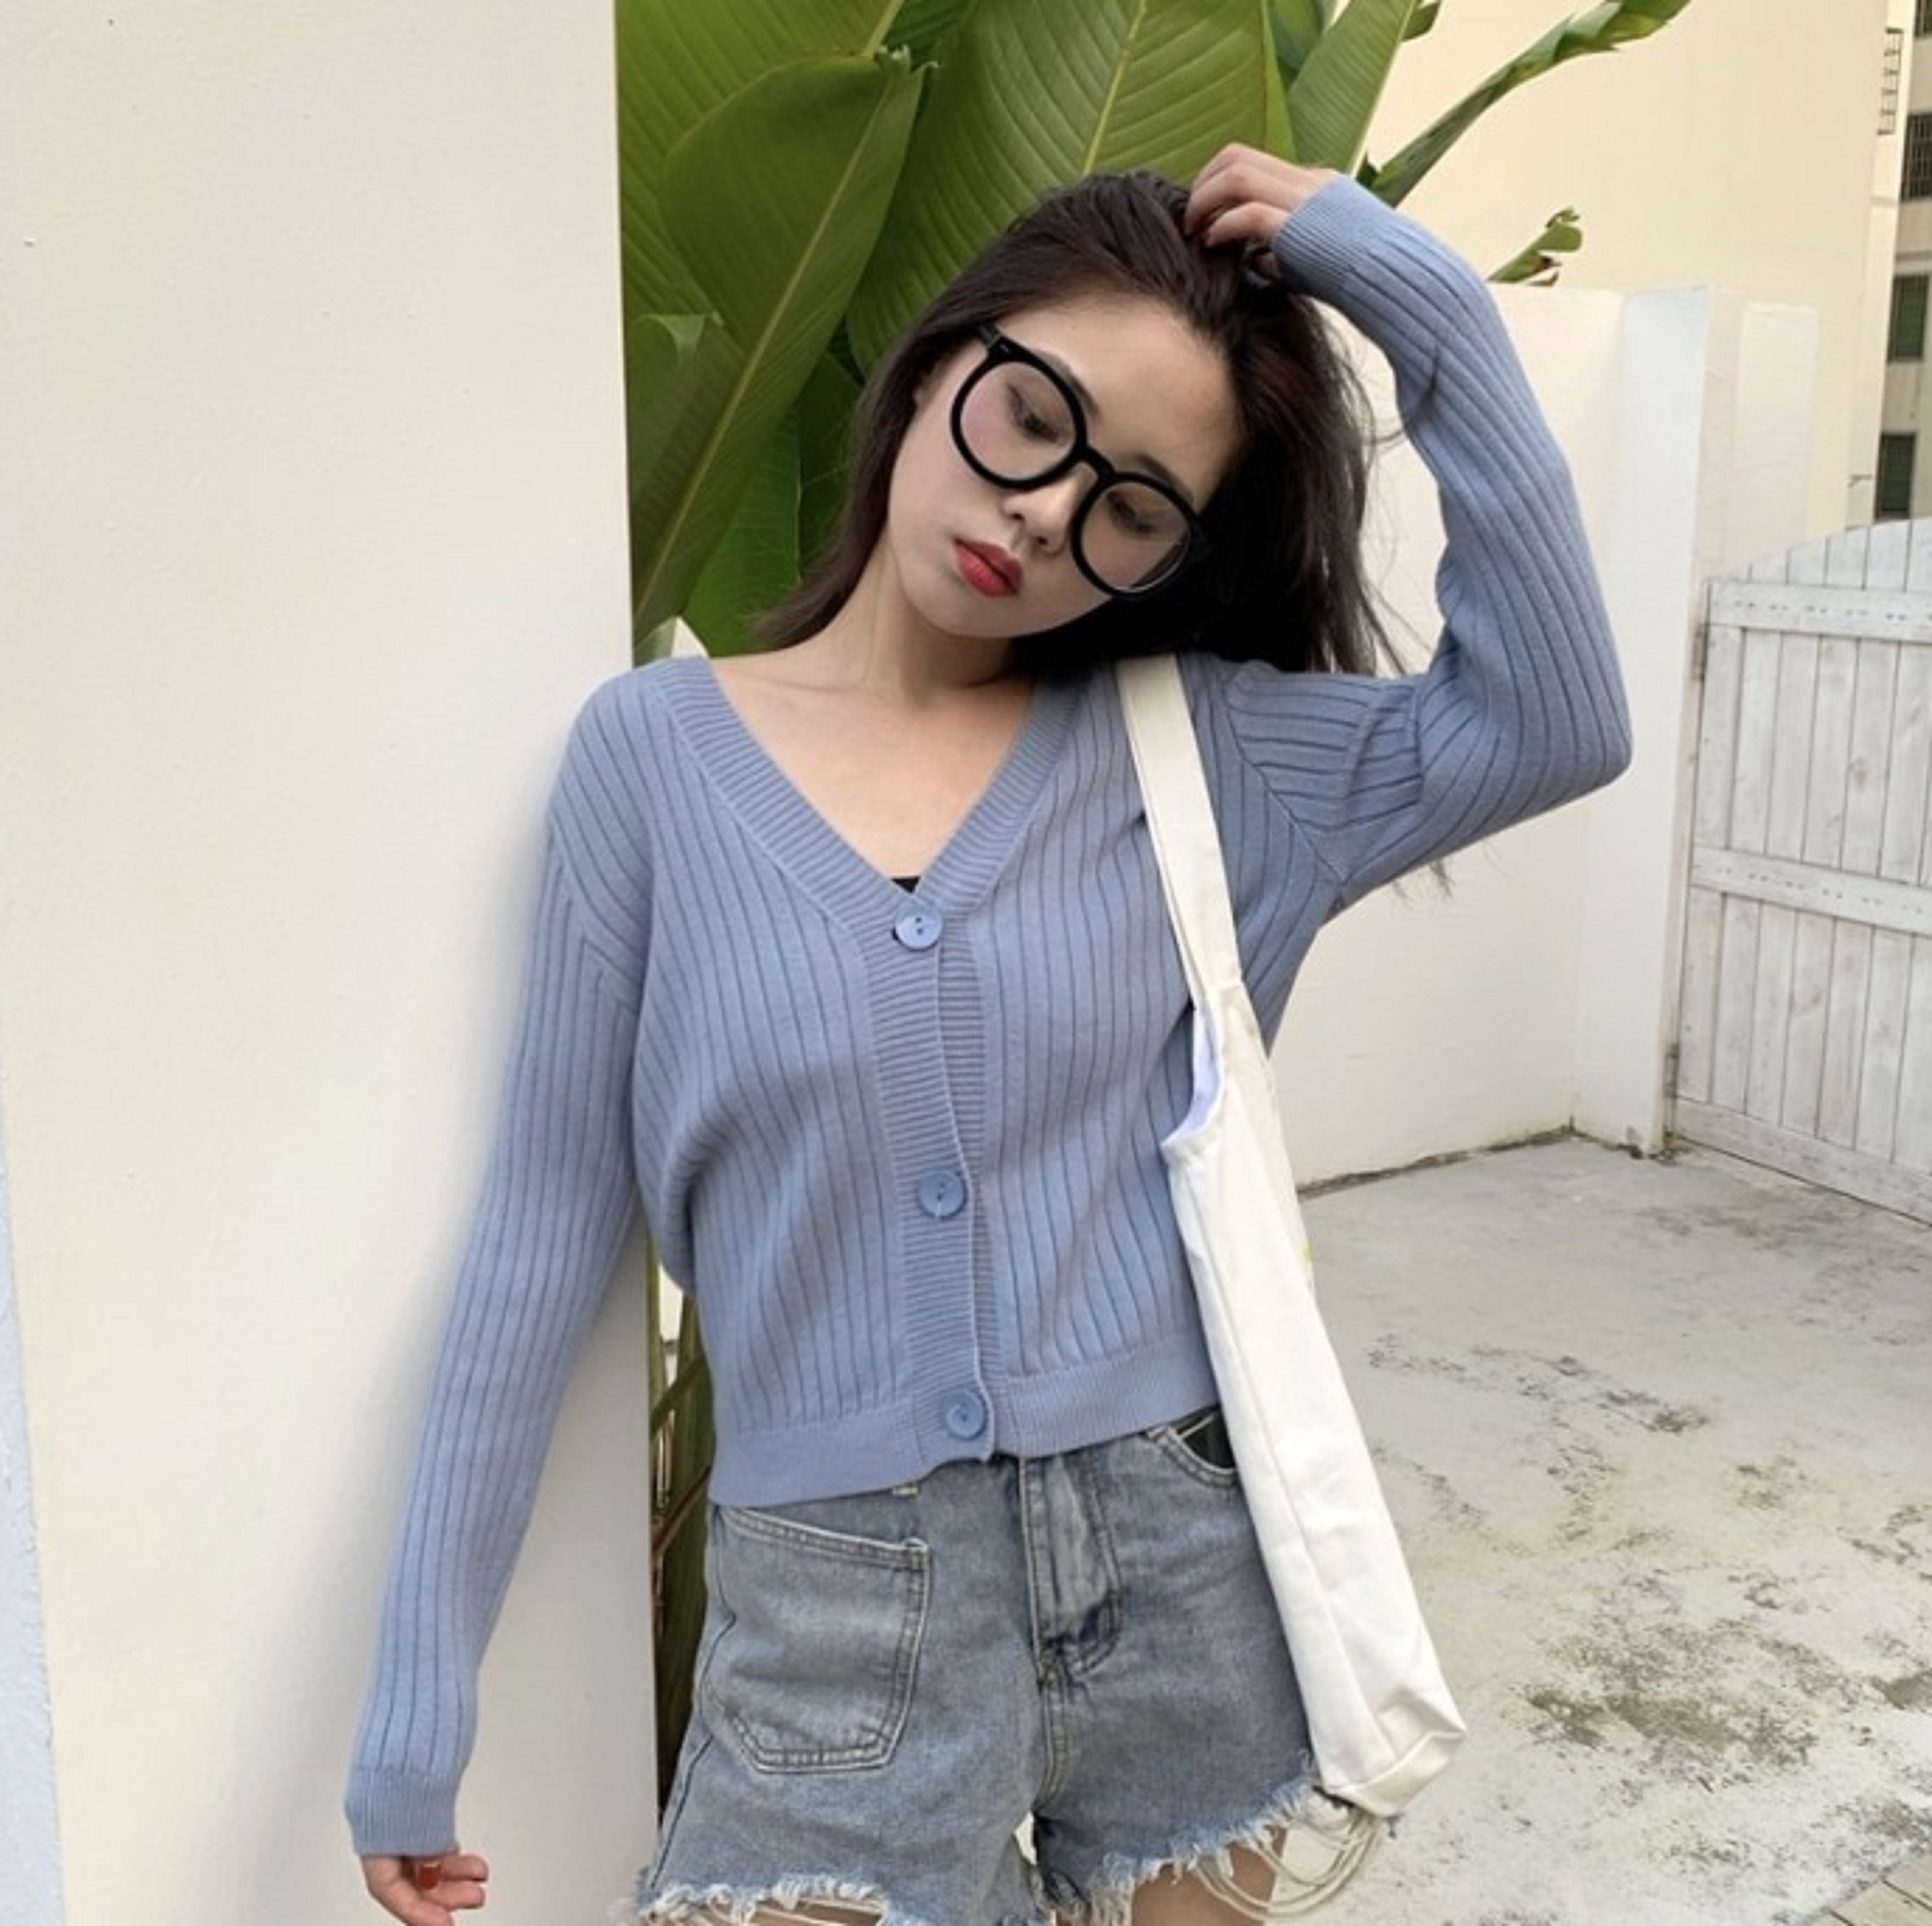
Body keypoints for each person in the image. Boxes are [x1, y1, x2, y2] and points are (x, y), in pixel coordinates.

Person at [347, 143, 1632, 1926]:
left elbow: (1556, 720)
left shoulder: (1207, 755)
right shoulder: (650, 761)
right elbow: (541, 1238)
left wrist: (1422, 302)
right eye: (1034, 417)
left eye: (1129, 508)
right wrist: (417, 1716)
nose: (1041, 515)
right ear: (942, 355)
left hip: (1186, 1586)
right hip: (833, 1618)